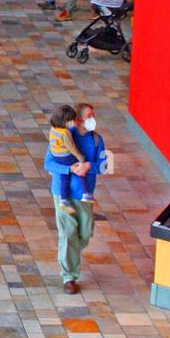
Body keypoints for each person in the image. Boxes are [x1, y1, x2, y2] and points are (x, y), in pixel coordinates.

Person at [43, 105, 106, 293]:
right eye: (88, 116)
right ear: (78, 119)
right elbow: (49, 163)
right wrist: (68, 169)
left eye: (93, 116)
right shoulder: (62, 135)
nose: (92, 119)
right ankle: (68, 276)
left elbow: (104, 166)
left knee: (85, 232)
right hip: (63, 194)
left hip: (84, 194)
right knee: (68, 232)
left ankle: (67, 252)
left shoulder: (96, 140)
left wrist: (89, 166)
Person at [47, 104, 80, 213]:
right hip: (61, 191)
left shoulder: (54, 130)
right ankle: (64, 201)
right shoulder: (66, 133)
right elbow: (48, 164)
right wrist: (71, 168)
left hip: (78, 194)